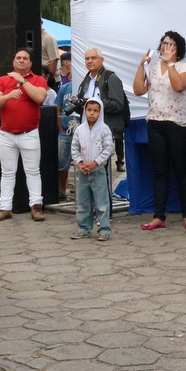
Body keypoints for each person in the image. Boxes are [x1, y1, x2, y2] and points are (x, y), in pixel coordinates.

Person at [133, 31, 186, 231]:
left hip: (177, 123)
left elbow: (178, 86)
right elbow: (138, 90)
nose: (166, 47)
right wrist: (141, 66)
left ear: (178, 49)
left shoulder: (185, 68)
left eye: (171, 44)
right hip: (155, 122)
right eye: (164, 43)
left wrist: (170, 64)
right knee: (160, 171)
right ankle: (158, 216)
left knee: (181, 169)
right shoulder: (152, 68)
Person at [0, 48, 49, 222]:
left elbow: (40, 98)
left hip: (29, 133)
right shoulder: (3, 80)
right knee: (7, 173)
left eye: (25, 58)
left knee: (33, 172)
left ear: (30, 63)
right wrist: (7, 97)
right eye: (18, 58)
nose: (21, 60)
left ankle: (36, 207)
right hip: (6, 134)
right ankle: (5, 208)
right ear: (13, 61)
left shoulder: (38, 79)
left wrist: (22, 80)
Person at [74, 47, 130, 172]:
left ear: (102, 60)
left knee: (101, 172)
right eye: (87, 58)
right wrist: (77, 104)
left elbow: (118, 105)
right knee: (86, 169)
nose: (89, 61)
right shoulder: (86, 80)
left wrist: (96, 103)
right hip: (86, 131)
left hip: (104, 131)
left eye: (93, 58)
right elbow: (84, 108)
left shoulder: (110, 78)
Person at [69, 98, 114, 241]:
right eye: (89, 110)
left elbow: (108, 149)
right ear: (85, 111)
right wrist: (80, 163)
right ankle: (83, 228)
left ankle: (104, 229)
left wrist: (95, 163)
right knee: (83, 203)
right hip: (82, 172)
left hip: (98, 172)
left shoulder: (104, 129)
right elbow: (74, 148)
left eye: (95, 111)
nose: (92, 113)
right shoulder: (79, 129)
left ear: (100, 112)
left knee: (102, 203)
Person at [55, 53, 76, 201]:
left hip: (81, 129)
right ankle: (61, 189)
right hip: (65, 131)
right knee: (62, 162)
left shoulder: (86, 88)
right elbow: (58, 109)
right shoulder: (64, 88)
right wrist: (60, 128)